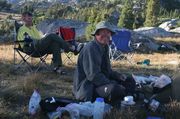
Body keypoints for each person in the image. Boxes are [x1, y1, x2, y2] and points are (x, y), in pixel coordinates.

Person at [73, 21, 136, 104]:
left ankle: (128, 97)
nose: (105, 35)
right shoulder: (91, 48)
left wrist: (118, 76)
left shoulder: (104, 47)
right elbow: (93, 76)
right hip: (87, 89)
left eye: (108, 33)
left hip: (99, 83)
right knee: (115, 89)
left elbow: (107, 70)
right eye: (102, 32)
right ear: (96, 34)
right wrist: (112, 83)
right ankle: (126, 97)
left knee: (129, 80)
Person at [17, 12, 81, 74]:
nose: (31, 20)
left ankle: (57, 67)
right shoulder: (22, 29)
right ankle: (71, 48)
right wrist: (43, 38)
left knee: (55, 44)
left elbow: (40, 37)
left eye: (31, 18)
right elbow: (25, 41)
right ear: (23, 19)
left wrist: (45, 36)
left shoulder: (34, 28)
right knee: (52, 35)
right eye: (29, 19)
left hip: (40, 47)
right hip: (31, 47)